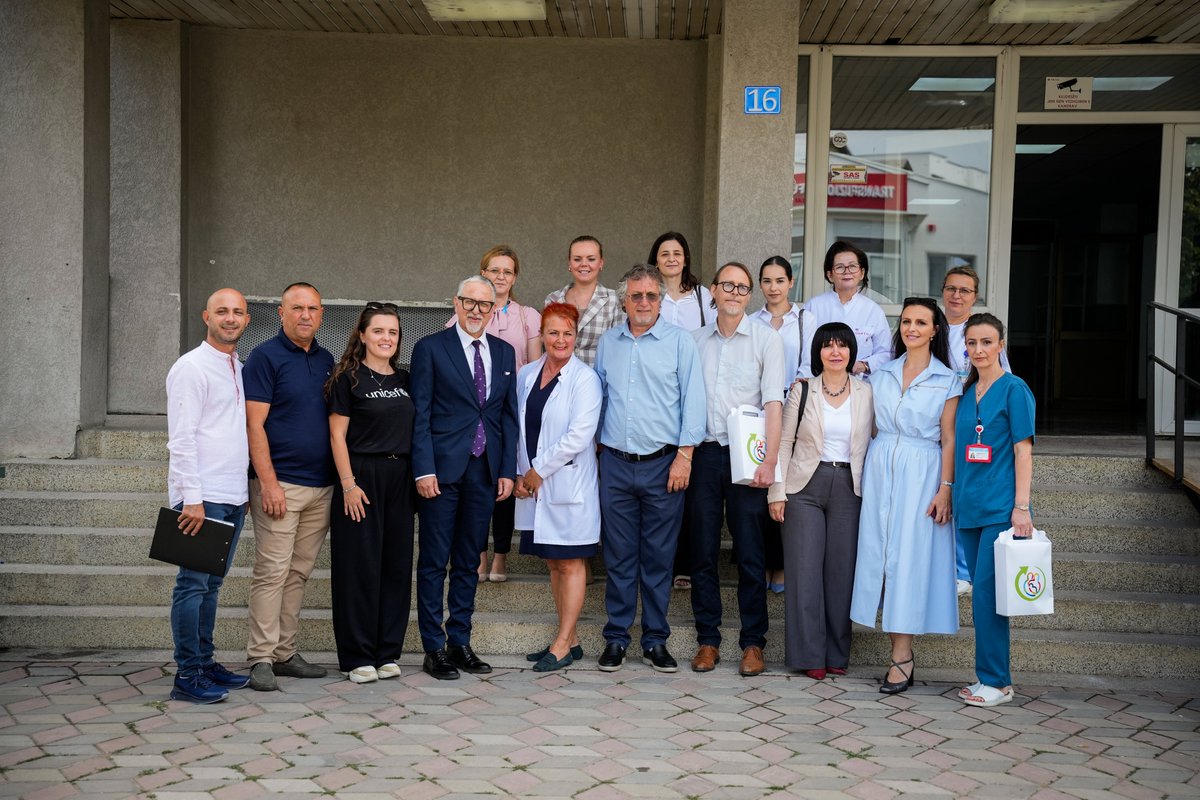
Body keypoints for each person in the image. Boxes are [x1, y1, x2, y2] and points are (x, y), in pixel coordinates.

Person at [594, 264, 706, 674]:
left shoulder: (680, 342)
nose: (643, 302)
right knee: (620, 556)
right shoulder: (609, 342)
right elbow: (599, 398)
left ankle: (655, 640)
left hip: (664, 466)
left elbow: (694, 401)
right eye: (636, 295)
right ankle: (617, 639)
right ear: (625, 300)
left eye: (651, 296)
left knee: (659, 558)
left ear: (661, 300)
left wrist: (685, 456)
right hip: (617, 466)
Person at [850, 296, 961, 695]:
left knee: (909, 560)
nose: (912, 328)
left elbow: (949, 439)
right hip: (881, 468)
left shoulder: (948, 380)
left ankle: (902, 655)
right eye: (907, 321)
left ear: (935, 330)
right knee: (879, 554)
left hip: (923, 469)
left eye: (921, 322)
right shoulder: (881, 375)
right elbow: (869, 428)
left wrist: (945, 489)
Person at [411, 276, 518, 680]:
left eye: (485, 305)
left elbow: (507, 417)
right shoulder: (430, 348)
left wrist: (507, 469)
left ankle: (459, 641)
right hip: (440, 471)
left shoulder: (505, 353)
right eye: (469, 302)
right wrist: (423, 468)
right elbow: (420, 413)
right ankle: (433, 647)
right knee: (435, 560)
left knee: (469, 560)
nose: (476, 311)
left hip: (485, 470)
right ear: (455, 303)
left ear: (495, 310)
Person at [686, 262, 785, 677]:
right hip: (706, 455)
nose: (734, 292)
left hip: (748, 457)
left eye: (742, 287)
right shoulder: (693, 341)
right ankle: (707, 640)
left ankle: (753, 643)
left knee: (750, 552)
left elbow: (774, 405)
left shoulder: (767, 339)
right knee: (703, 551)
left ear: (750, 295)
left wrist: (769, 462)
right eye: (727, 285)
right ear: (713, 291)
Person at [768, 322, 873, 681]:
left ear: (851, 352)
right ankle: (808, 654)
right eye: (827, 345)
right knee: (804, 572)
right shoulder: (803, 391)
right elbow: (783, 443)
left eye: (842, 345)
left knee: (841, 574)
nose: (835, 351)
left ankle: (836, 654)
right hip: (804, 486)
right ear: (818, 352)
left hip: (849, 486)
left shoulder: (865, 392)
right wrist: (777, 491)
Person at [243, 282, 335, 691]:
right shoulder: (265, 357)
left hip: (321, 487)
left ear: (320, 315)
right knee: (272, 572)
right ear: (281, 313)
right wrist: (268, 483)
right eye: (297, 308)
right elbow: (253, 424)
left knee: (298, 572)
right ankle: (261, 657)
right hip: (281, 484)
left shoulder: (327, 358)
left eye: (312, 309)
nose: (305, 315)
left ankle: (285, 653)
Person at [165, 288, 253, 704]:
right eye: (222, 311)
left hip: (232, 495)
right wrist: (192, 498)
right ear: (206, 317)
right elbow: (181, 440)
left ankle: (205, 660)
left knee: (212, 586)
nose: (230, 318)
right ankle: (188, 673)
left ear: (248, 319)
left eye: (237, 312)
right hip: (202, 497)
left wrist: (244, 490)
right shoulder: (191, 367)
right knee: (192, 585)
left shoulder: (238, 365)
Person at [326, 302, 416, 684]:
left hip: (401, 476)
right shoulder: (347, 378)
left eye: (393, 332)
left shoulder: (406, 378)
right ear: (362, 335)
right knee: (358, 566)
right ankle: (357, 655)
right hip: (361, 476)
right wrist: (348, 483)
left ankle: (386, 651)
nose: (386, 338)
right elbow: (336, 435)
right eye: (378, 331)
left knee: (395, 566)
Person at [513, 303, 602, 672]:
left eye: (567, 332)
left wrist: (537, 471)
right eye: (553, 332)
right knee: (552, 561)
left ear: (576, 336)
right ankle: (572, 637)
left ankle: (562, 643)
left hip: (567, 483)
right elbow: (519, 429)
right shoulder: (527, 374)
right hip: (533, 485)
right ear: (543, 336)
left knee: (570, 561)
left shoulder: (585, 379)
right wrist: (521, 473)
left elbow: (579, 436)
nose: (560, 339)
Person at [444, 245, 542, 585]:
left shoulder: (528, 316)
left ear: (515, 277)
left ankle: (500, 555)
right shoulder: (461, 314)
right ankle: (478, 555)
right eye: (494, 270)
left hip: (505, 412)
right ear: (483, 272)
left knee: (502, 482)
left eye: (507, 271)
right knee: (473, 483)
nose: (500, 276)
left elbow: (532, 367)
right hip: (470, 415)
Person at [953, 313, 1035, 708]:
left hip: (1001, 509)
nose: (979, 350)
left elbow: (1023, 451)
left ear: (1001, 344)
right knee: (983, 595)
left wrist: (1022, 507)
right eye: (971, 343)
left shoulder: (1014, 390)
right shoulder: (968, 392)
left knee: (987, 595)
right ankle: (988, 675)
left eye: (987, 342)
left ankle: (997, 681)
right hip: (967, 507)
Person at [647, 232, 712, 593]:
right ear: (655, 260)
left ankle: (684, 562)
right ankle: (662, 561)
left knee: (687, 486)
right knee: (660, 486)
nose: (671, 258)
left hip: (693, 393)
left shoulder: (704, 298)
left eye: (677, 253)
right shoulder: (649, 295)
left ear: (685, 258)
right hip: (657, 398)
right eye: (664, 253)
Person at [941, 266, 1012, 597]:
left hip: (970, 427)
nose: (957, 295)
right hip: (932, 424)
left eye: (965, 290)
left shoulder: (981, 334)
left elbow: (1000, 384)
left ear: (975, 296)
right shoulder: (932, 327)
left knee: (961, 494)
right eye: (951, 288)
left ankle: (962, 571)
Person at [752, 255, 804, 593]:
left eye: (780, 281)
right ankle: (766, 562)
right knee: (761, 487)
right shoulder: (752, 320)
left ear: (790, 283)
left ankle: (784, 564)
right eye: (767, 281)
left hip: (796, 407)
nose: (773, 287)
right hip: (761, 410)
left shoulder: (805, 319)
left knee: (787, 485)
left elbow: (812, 361)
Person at [798, 241, 891, 380]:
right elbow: (802, 350)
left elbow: (886, 353)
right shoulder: (813, 306)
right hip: (819, 385)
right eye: (840, 267)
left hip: (861, 388)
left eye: (853, 266)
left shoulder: (874, 311)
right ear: (830, 275)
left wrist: (863, 365)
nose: (847, 271)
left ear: (862, 273)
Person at [544, 235, 623, 367]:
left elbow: (619, 348)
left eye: (591, 259)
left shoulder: (615, 300)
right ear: (569, 263)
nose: (584, 264)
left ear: (601, 263)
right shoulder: (553, 299)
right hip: (559, 379)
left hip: (598, 380)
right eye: (577, 259)